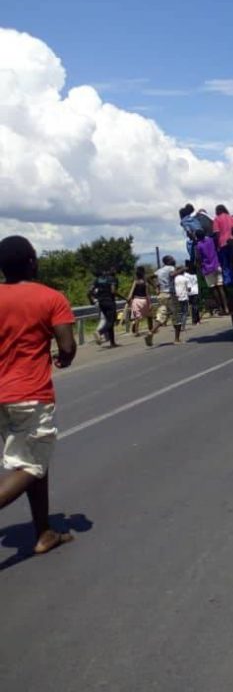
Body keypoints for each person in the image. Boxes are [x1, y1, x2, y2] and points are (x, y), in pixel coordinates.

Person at [0, 235, 77, 555]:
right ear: (32, 262)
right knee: (31, 465)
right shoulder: (50, 298)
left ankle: (44, 532)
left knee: (33, 460)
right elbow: (67, 347)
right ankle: (43, 531)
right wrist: (63, 358)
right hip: (30, 394)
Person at [195, 230, 230, 315]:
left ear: (197, 237)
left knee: (213, 289)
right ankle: (226, 308)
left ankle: (220, 308)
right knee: (221, 288)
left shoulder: (198, 246)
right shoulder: (211, 240)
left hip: (207, 269)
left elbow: (198, 258)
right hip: (216, 266)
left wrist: (199, 268)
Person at [145, 255, 177, 346]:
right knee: (176, 316)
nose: (174, 260)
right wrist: (181, 270)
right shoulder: (171, 268)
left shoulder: (159, 270)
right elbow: (173, 275)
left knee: (162, 316)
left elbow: (148, 277)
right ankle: (177, 338)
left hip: (161, 295)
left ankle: (151, 332)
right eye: (172, 259)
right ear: (168, 261)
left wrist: (155, 286)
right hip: (170, 294)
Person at [88, 268, 125, 348]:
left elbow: (90, 291)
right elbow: (113, 291)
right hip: (109, 302)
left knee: (109, 321)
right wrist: (124, 298)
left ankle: (112, 343)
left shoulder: (97, 280)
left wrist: (92, 300)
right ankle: (99, 332)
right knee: (112, 321)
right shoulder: (112, 279)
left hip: (101, 302)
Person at [128, 265, 153, 336]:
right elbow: (147, 294)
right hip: (144, 300)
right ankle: (151, 329)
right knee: (149, 315)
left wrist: (129, 299)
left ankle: (136, 332)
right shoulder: (145, 283)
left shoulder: (135, 282)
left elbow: (131, 292)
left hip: (136, 300)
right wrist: (150, 303)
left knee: (137, 317)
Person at [172, 266, 190, 344]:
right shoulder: (185, 279)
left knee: (178, 313)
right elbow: (189, 288)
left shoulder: (174, 279)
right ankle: (183, 326)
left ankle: (179, 325)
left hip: (177, 298)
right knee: (184, 312)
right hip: (184, 297)